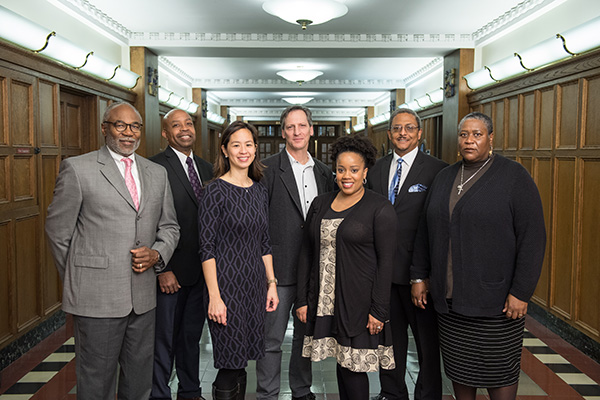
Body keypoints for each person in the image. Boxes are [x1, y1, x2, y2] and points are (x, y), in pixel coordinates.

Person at [45, 101, 180, 400]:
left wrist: (157, 254)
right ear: (105, 128)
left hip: (143, 297)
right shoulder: (78, 169)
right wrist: (78, 281)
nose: (128, 133)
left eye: (135, 127)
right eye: (120, 125)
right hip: (96, 298)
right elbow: (58, 232)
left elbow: (170, 227)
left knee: (138, 381)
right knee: (97, 384)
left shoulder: (156, 173)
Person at [410, 112, 546, 400]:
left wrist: (521, 292)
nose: (469, 140)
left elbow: (533, 239)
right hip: (450, 301)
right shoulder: (445, 176)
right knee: (461, 371)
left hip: (496, 302)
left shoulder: (513, 177)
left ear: (490, 138)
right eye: (464, 134)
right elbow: (426, 229)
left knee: (500, 371)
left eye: (477, 134)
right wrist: (419, 275)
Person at [296, 135, 397, 400]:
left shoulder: (380, 208)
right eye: (341, 169)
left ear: (365, 172)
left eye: (354, 170)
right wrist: (303, 299)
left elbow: (386, 262)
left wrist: (379, 310)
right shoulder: (320, 203)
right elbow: (307, 252)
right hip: (325, 301)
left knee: (354, 368)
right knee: (342, 363)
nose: (346, 176)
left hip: (360, 305)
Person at [367, 108, 446, 400]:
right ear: (389, 134)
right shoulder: (374, 169)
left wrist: (421, 274)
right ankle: (392, 392)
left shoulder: (439, 170)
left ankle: (427, 395)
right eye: (397, 128)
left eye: (409, 128)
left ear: (419, 133)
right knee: (389, 341)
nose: (403, 133)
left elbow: (437, 226)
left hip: (419, 275)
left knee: (426, 343)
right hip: (382, 274)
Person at [258, 105, 334, 400]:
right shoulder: (265, 170)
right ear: (283, 132)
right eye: (290, 127)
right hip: (277, 272)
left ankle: (302, 390)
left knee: (306, 338)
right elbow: (259, 221)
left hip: (314, 271)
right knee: (272, 339)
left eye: (302, 126)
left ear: (311, 129)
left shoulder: (325, 173)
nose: (297, 132)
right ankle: (267, 393)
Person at [198, 121, 279, 400]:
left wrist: (271, 284)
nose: (243, 150)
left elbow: (264, 242)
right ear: (225, 150)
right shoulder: (214, 191)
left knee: (244, 360)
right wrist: (214, 297)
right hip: (226, 290)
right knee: (230, 363)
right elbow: (206, 248)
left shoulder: (259, 189)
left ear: (256, 149)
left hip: (254, 287)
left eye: (248, 144)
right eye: (236, 145)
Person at [149, 109, 213, 400]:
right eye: (176, 125)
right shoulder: (153, 168)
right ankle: (159, 394)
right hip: (171, 272)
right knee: (163, 340)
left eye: (189, 124)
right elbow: (147, 222)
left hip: (202, 272)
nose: (185, 129)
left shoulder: (207, 168)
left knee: (191, 338)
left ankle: (190, 391)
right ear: (165, 133)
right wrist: (162, 269)